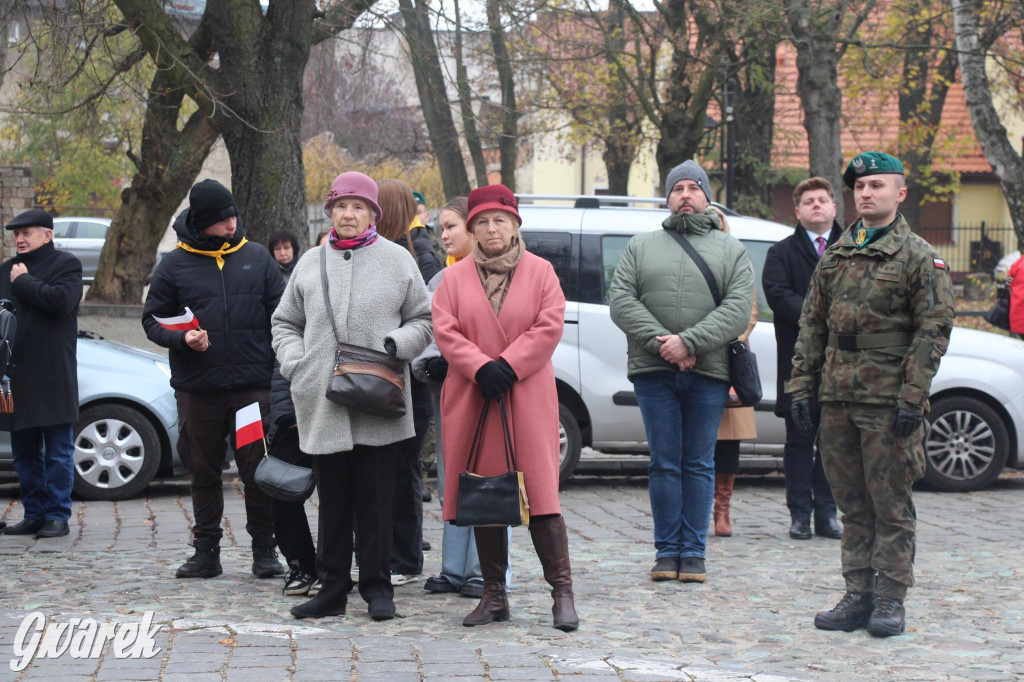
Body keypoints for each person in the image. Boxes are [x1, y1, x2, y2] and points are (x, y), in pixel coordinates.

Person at [788, 152, 955, 637]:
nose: (865, 193)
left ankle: (890, 598)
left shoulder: (920, 257)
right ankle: (858, 593)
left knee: (891, 503)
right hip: (838, 396)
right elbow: (812, 324)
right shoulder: (836, 255)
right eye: (859, 187)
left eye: (877, 186)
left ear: (900, 194)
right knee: (852, 504)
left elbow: (933, 330)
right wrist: (801, 384)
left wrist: (912, 396)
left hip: (888, 400)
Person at [271, 171, 432, 621]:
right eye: (341, 206)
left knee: (377, 500)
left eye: (358, 206)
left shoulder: (398, 260)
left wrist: (395, 347)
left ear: (373, 214)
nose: (348, 214)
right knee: (334, 502)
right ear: (330, 212)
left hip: (379, 399)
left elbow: (424, 319)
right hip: (323, 399)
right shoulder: (309, 263)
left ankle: (379, 589)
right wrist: (296, 363)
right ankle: (333, 589)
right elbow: (285, 322)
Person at [432, 183, 578, 632]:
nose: (491, 228)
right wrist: (480, 367)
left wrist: (509, 366)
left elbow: (549, 324)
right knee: (484, 495)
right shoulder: (453, 278)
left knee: (541, 497)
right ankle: (494, 595)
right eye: (482, 222)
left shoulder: (541, 272)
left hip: (525, 396)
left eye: (500, 219)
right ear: (472, 229)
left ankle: (562, 594)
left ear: (515, 224)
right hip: (474, 397)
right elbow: (445, 329)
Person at [609, 160, 753, 584]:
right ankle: (666, 551)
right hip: (654, 371)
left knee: (699, 463)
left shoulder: (732, 250)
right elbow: (622, 301)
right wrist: (664, 343)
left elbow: (737, 309)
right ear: (668, 199)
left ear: (706, 197)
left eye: (694, 188)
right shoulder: (640, 246)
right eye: (677, 189)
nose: (685, 195)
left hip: (708, 371)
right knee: (664, 463)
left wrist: (690, 342)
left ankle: (693, 552)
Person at [143, 179, 286, 580]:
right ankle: (206, 551)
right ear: (203, 223)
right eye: (223, 219)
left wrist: (278, 371)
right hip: (198, 393)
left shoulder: (257, 258)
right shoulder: (173, 264)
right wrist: (182, 338)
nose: (231, 223)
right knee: (203, 473)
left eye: (232, 215)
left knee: (256, 470)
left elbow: (285, 318)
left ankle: (264, 550)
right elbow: (151, 320)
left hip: (250, 391)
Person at [413, 197, 508, 600]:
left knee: (490, 478)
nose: (444, 235)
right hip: (451, 389)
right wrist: (429, 362)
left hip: (494, 385)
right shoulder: (442, 279)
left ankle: (482, 571)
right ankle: (453, 567)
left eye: (451, 226)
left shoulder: (501, 275)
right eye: (442, 228)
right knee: (453, 477)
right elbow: (432, 330)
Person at [762, 177, 843, 541]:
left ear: (834, 208)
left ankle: (828, 513)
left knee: (832, 442)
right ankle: (799, 513)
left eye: (822, 200)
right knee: (798, 441)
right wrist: (825, 316)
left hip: (843, 366)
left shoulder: (854, 248)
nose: (816, 205)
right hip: (797, 365)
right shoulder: (780, 253)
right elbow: (779, 297)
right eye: (808, 201)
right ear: (797, 211)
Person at [0, 209, 83, 539]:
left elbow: (61, 301)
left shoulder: (66, 265)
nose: (19, 239)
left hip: (53, 373)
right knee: (24, 453)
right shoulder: (6, 268)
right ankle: (33, 513)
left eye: (27, 233)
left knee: (59, 452)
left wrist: (24, 281)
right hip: (16, 374)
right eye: (16, 234)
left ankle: (58, 516)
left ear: (47, 235)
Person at [376, 179, 442, 585]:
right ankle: (391, 552)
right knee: (395, 471)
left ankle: (405, 558)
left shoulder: (417, 254)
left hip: (406, 377)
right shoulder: (398, 252)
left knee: (402, 471)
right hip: (390, 377)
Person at [713, 273, 758, 538]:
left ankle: (722, 510)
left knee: (729, 439)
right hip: (690, 351)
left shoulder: (736, 259)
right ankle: (693, 508)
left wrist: (726, 339)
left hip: (732, 356)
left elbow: (749, 312)